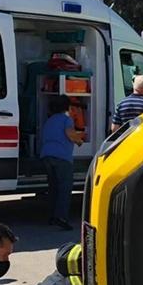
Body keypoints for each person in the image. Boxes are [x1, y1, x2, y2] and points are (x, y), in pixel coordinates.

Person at [40, 94, 84, 230]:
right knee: (64, 188)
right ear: (67, 107)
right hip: (62, 157)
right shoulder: (66, 120)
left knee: (53, 188)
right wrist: (79, 140)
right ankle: (61, 218)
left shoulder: (49, 120)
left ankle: (52, 217)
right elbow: (70, 133)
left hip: (47, 155)